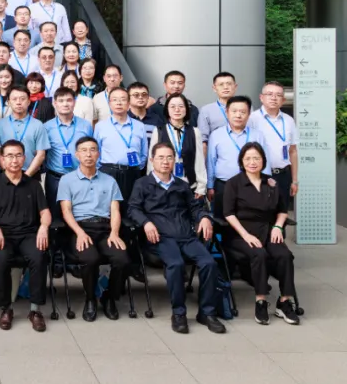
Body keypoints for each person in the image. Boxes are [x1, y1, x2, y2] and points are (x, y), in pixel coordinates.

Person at [129, 143, 225, 335]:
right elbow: (133, 209)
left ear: (174, 160)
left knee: (208, 263)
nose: (165, 162)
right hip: (160, 238)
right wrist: (146, 223)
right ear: (152, 160)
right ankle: (179, 313)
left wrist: (204, 218)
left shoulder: (181, 185)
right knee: (176, 264)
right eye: (160, 157)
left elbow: (195, 208)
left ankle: (207, 312)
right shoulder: (142, 184)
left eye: (169, 157)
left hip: (186, 236)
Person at [222, 142, 300, 325]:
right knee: (259, 254)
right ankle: (261, 301)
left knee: (284, 255)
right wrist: (246, 235)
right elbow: (228, 214)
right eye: (248, 158)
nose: (252, 162)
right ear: (242, 161)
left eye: (256, 158)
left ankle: (284, 302)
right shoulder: (234, 183)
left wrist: (278, 227)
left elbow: (282, 210)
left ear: (263, 161)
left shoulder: (271, 183)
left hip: (268, 230)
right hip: (241, 234)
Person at [0, 140, 51, 332]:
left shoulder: (34, 184)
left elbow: (45, 212)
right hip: (3, 235)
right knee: (1, 259)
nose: (14, 160)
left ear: (24, 158)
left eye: (18, 155)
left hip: (29, 234)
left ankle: (35, 310)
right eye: (9, 156)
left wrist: (44, 227)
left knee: (39, 256)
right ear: (2, 159)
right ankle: (6, 308)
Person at [57, 137, 129, 322]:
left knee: (122, 259)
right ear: (77, 155)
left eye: (92, 150)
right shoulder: (66, 180)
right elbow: (66, 211)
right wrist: (80, 233)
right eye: (84, 150)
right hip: (80, 228)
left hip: (105, 229)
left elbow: (115, 210)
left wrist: (114, 233)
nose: (88, 154)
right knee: (90, 259)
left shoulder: (109, 180)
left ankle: (109, 297)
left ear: (98, 154)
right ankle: (90, 299)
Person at [207, 95, 271, 215]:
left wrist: (266, 184)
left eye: (243, 112)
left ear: (249, 114)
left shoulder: (258, 135)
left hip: (252, 185)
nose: (238, 115)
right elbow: (211, 161)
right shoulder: (216, 135)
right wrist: (210, 186)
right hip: (223, 185)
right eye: (234, 111)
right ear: (227, 112)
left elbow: (265, 161)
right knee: (222, 219)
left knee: (250, 219)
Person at [44, 88, 94, 218]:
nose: (65, 104)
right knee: (55, 216)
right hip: (55, 178)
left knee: (79, 215)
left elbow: (93, 150)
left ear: (74, 102)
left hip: (80, 177)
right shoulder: (47, 127)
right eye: (61, 101)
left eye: (69, 100)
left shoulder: (85, 125)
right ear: (54, 103)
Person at [94, 87, 149, 201]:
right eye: (115, 100)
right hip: (108, 172)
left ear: (128, 104)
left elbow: (144, 153)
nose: (119, 103)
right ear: (109, 104)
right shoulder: (100, 126)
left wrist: (136, 168)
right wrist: (103, 170)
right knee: (108, 207)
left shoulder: (139, 126)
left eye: (123, 99)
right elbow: (96, 151)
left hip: (132, 173)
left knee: (132, 206)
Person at [148, 92, 207, 197]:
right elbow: (151, 161)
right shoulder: (159, 131)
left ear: (186, 109)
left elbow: (199, 161)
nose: (177, 109)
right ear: (167, 109)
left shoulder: (195, 131)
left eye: (181, 106)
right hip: (164, 187)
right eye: (172, 106)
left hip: (189, 185)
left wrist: (201, 187)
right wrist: (152, 185)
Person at [252, 81, 299, 200]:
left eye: (278, 95)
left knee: (282, 208)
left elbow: (293, 151)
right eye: (269, 94)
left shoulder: (289, 120)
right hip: (259, 175)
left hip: (283, 175)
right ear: (261, 97)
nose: (274, 98)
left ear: (283, 100)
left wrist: (294, 180)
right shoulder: (252, 119)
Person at [0, 85, 49, 176]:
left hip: (31, 173)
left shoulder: (38, 125)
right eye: (14, 99)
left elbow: (41, 155)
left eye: (22, 99)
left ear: (28, 101)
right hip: (5, 173)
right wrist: (7, 172)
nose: (18, 102)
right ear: (8, 102)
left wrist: (26, 176)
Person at [197, 71, 238, 144]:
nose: (225, 87)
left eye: (229, 84)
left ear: (235, 87)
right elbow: (203, 139)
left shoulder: (246, 107)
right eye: (221, 84)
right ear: (214, 88)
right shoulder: (206, 110)